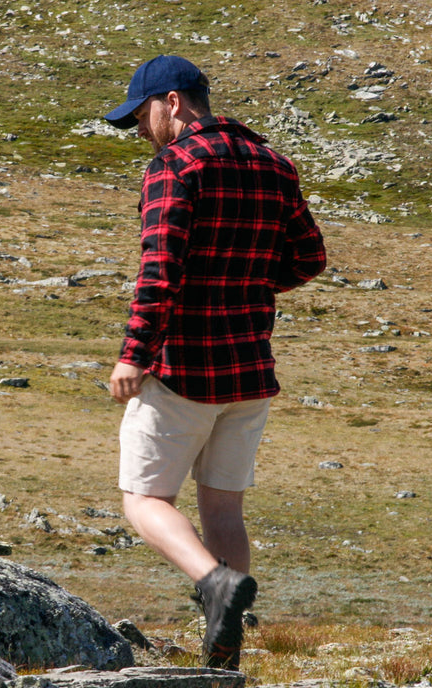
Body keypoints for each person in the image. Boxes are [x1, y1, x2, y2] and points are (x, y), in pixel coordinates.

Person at [103, 55, 327, 671]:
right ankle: (224, 649)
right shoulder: (274, 164)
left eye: (142, 115)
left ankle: (215, 585)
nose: (142, 131)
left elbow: (161, 269)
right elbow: (309, 258)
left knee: (142, 500)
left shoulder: (174, 167)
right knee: (223, 507)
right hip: (250, 367)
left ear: (172, 102)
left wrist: (134, 354)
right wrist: (246, 284)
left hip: (183, 368)